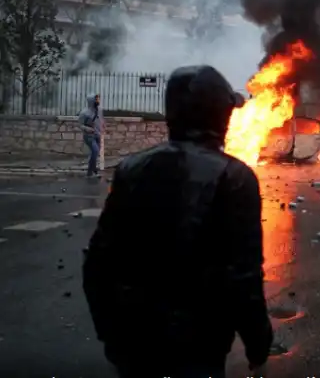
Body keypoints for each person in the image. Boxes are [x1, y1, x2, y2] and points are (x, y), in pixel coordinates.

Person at [82, 65, 273, 378]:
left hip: (135, 343)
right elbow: (244, 278)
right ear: (219, 116)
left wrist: (112, 336)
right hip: (199, 349)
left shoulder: (132, 167)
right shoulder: (234, 177)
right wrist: (258, 346)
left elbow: (98, 264)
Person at [77, 93, 103, 177]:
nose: (98, 100)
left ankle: (90, 172)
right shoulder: (84, 112)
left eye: (98, 99)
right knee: (95, 151)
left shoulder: (99, 110)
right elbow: (80, 125)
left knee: (94, 154)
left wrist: (103, 126)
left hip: (98, 135)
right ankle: (93, 172)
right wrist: (87, 129)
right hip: (89, 136)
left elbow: (100, 121)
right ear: (91, 100)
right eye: (96, 99)